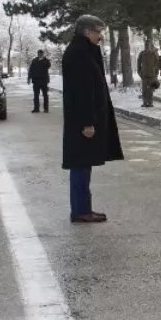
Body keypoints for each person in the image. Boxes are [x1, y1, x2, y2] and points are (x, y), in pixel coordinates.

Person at [62, 14, 124, 224]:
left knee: (84, 163)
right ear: (88, 32)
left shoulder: (85, 51)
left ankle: (83, 207)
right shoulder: (79, 54)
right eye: (98, 32)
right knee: (80, 164)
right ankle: (80, 210)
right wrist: (87, 122)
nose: (100, 36)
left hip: (85, 119)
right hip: (82, 121)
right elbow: (82, 91)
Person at [28, 49, 51, 113]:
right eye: (39, 53)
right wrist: (29, 78)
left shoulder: (46, 61)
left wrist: (43, 60)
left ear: (43, 54)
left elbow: (48, 66)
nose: (40, 55)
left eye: (41, 54)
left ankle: (46, 109)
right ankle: (36, 108)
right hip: (36, 81)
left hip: (44, 80)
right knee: (36, 95)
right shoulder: (34, 60)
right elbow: (31, 69)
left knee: (45, 95)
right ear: (37, 54)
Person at [137, 41, 160, 108]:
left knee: (150, 90)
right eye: (146, 45)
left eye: (148, 44)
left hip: (151, 75)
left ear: (150, 45)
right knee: (144, 90)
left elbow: (157, 63)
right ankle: (144, 102)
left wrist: (156, 73)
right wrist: (139, 72)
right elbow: (138, 63)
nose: (147, 46)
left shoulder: (153, 54)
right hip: (144, 75)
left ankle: (150, 103)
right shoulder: (142, 53)